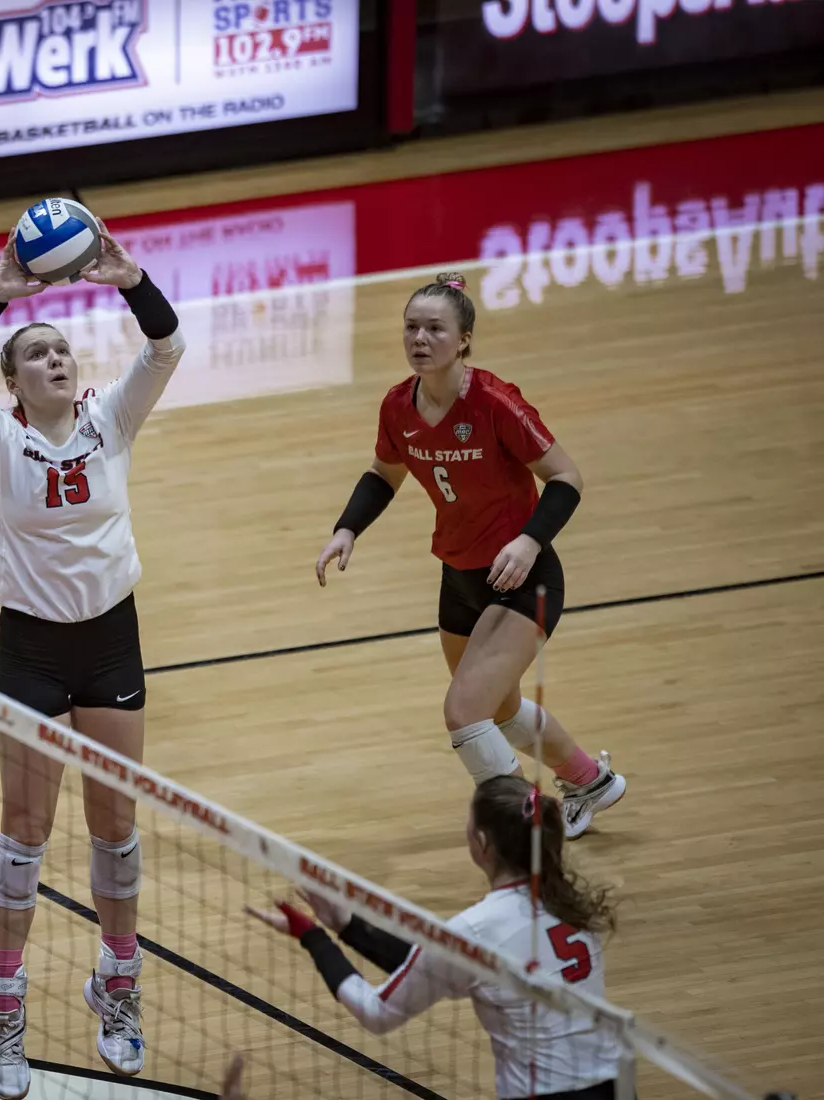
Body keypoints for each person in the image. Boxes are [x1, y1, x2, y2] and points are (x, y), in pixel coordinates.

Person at [0, 226, 184, 1098]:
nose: (56, 359)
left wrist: (130, 279)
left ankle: (118, 983)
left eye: (62, 349)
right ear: (14, 382)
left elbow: (168, 343)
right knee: (25, 838)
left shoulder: (111, 420)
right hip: (30, 650)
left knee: (115, 830)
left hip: (112, 638)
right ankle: (3, 1004)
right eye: (37, 354)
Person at [314, 272, 624, 838]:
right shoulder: (397, 405)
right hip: (457, 575)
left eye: (435, 329)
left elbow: (566, 478)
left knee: (464, 713)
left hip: (521, 577)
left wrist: (530, 539)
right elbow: (385, 473)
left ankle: (530, 832)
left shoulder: (495, 401)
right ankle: (589, 781)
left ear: (463, 340)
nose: (420, 339)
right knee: (498, 710)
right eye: (411, 328)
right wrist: (347, 528)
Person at [249, 775, 625, 1100]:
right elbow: (439, 967)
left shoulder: (478, 928)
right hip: (616, 1086)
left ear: (481, 842)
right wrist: (350, 926)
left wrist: (313, 937)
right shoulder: (570, 904)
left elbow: (377, 1013)